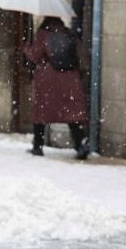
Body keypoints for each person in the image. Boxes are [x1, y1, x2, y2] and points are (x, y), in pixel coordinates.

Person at [24, 17, 89, 159]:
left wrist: (27, 48)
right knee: (72, 114)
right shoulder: (69, 34)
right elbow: (80, 55)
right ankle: (80, 143)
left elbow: (35, 55)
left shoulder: (43, 34)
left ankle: (37, 146)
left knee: (41, 114)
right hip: (70, 79)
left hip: (48, 80)